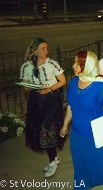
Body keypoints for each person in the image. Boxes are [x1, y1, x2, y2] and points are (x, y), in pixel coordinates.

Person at [60, 51, 103, 189]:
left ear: (87, 66)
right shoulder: (74, 82)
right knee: (80, 166)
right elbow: (71, 106)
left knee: (99, 165)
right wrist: (65, 125)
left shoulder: (100, 86)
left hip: (96, 135)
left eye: (77, 63)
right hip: (77, 135)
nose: (73, 66)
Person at [20, 38, 66, 179]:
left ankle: (53, 160)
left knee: (46, 127)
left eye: (46, 48)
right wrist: (30, 87)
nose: (46, 51)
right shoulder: (26, 67)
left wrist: (49, 89)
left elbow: (62, 81)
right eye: (42, 49)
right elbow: (26, 87)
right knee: (39, 128)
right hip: (37, 101)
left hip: (51, 100)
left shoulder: (52, 63)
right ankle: (53, 157)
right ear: (34, 51)